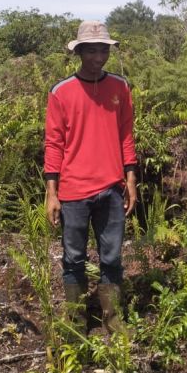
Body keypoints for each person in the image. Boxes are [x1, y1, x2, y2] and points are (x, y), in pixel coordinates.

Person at [44, 20, 138, 334]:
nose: (99, 57)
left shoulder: (120, 87)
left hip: (112, 188)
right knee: (73, 259)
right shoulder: (61, 92)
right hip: (73, 192)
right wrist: (51, 192)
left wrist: (131, 179)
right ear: (80, 52)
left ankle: (113, 320)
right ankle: (76, 323)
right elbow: (54, 143)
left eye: (104, 50)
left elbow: (126, 135)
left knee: (111, 257)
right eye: (92, 51)